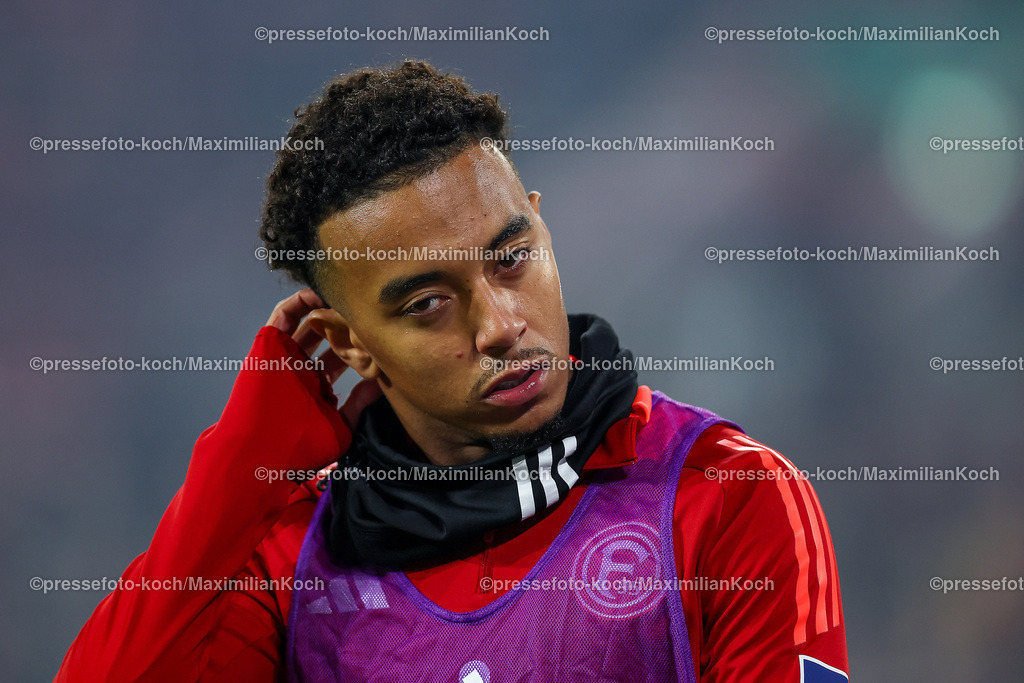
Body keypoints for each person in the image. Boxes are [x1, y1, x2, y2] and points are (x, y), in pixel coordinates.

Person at [56, 60, 849, 682]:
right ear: (347, 340)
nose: (502, 325)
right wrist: (242, 466)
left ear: (542, 221)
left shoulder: (724, 498)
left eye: (511, 258)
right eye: (429, 303)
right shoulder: (292, 566)